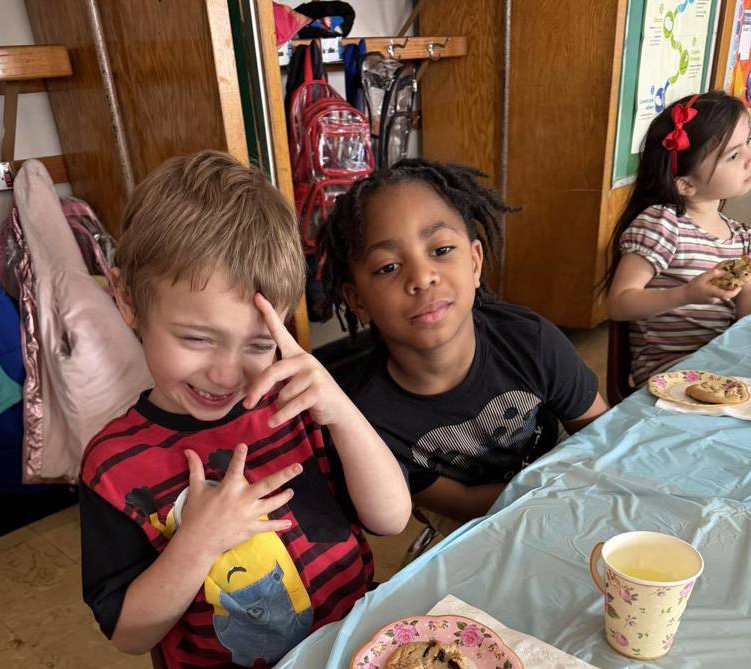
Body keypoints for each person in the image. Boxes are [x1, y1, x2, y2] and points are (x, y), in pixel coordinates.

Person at [79, 151, 410, 669]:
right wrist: (198, 542)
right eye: (197, 339)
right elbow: (129, 634)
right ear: (129, 303)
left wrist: (341, 409)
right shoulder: (114, 466)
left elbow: (391, 518)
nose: (227, 374)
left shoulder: (296, 405)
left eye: (258, 345)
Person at [317, 158, 607, 525]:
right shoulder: (366, 416)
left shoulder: (530, 340)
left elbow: (603, 435)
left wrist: (567, 490)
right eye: (388, 267)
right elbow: (462, 502)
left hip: (573, 492)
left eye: (441, 250)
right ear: (357, 300)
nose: (422, 277)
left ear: (474, 262)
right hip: (474, 527)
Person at [606, 90, 751, 385]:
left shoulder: (741, 237)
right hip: (673, 376)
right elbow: (618, 304)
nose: (749, 158)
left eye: (748, 142)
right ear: (685, 184)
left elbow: (744, 321)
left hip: (722, 365)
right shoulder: (663, 224)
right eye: (734, 155)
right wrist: (687, 294)